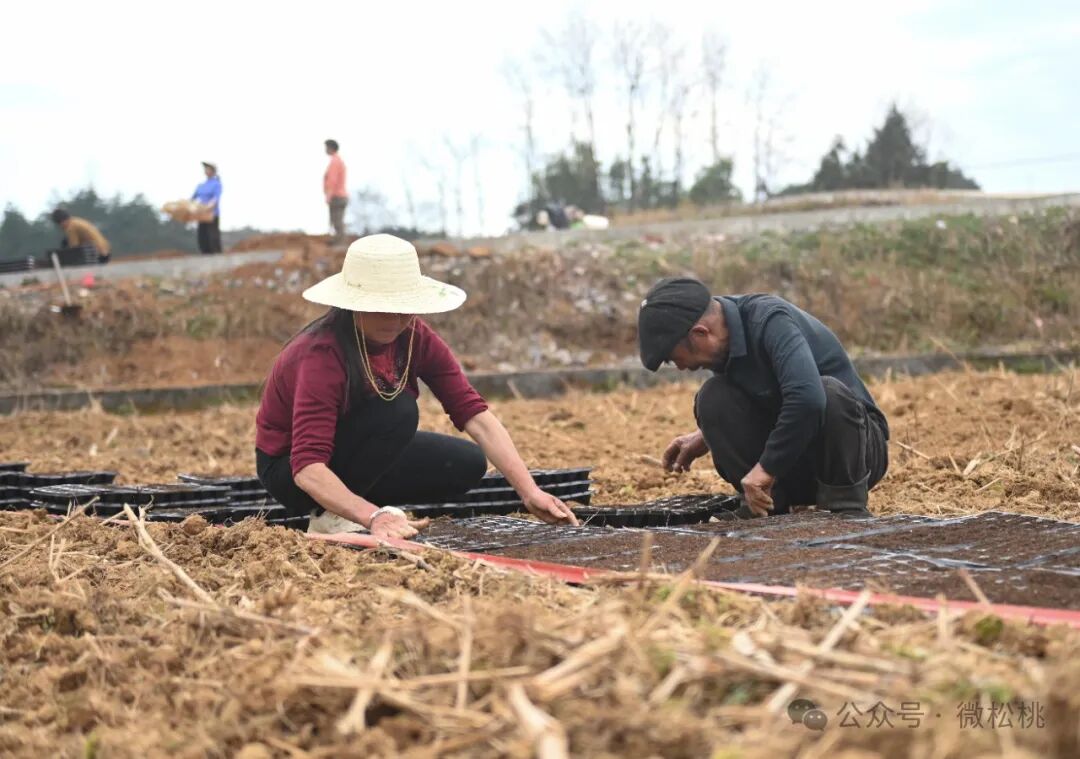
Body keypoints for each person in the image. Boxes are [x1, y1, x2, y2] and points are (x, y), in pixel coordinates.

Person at [255, 233, 579, 540]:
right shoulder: (323, 354)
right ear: (355, 304)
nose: (396, 319)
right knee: (397, 412)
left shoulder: (414, 337)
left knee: (465, 463)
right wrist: (373, 517)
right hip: (292, 472)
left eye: (404, 307)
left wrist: (529, 492)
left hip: (355, 455)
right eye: (383, 307)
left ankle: (351, 502)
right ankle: (329, 515)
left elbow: (474, 413)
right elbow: (307, 467)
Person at [638, 277, 889, 519]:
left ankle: (846, 506)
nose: (680, 367)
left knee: (825, 391)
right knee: (712, 398)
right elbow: (763, 398)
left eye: (674, 357)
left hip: (857, 454)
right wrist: (707, 434)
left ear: (701, 333)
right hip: (796, 462)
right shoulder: (723, 338)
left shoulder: (769, 320)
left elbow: (808, 400)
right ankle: (767, 507)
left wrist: (766, 469)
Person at [192, 161, 222, 254]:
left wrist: (209, 206)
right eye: (205, 169)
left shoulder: (216, 184)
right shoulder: (201, 186)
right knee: (202, 235)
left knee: (212, 235)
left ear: (213, 171)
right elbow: (193, 198)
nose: (206, 170)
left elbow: (216, 198)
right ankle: (205, 254)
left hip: (212, 214)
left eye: (208, 169)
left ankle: (216, 254)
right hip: (201, 213)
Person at [324, 139, 348, 245]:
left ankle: (339, 245)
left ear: (330, 148)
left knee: (337, 221)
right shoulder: (338, 160)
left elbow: (332, 180)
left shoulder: (335, 161)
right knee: (338, 221)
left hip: (337, 196)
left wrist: (328, 195)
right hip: (341, 196)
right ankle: (339, 243)